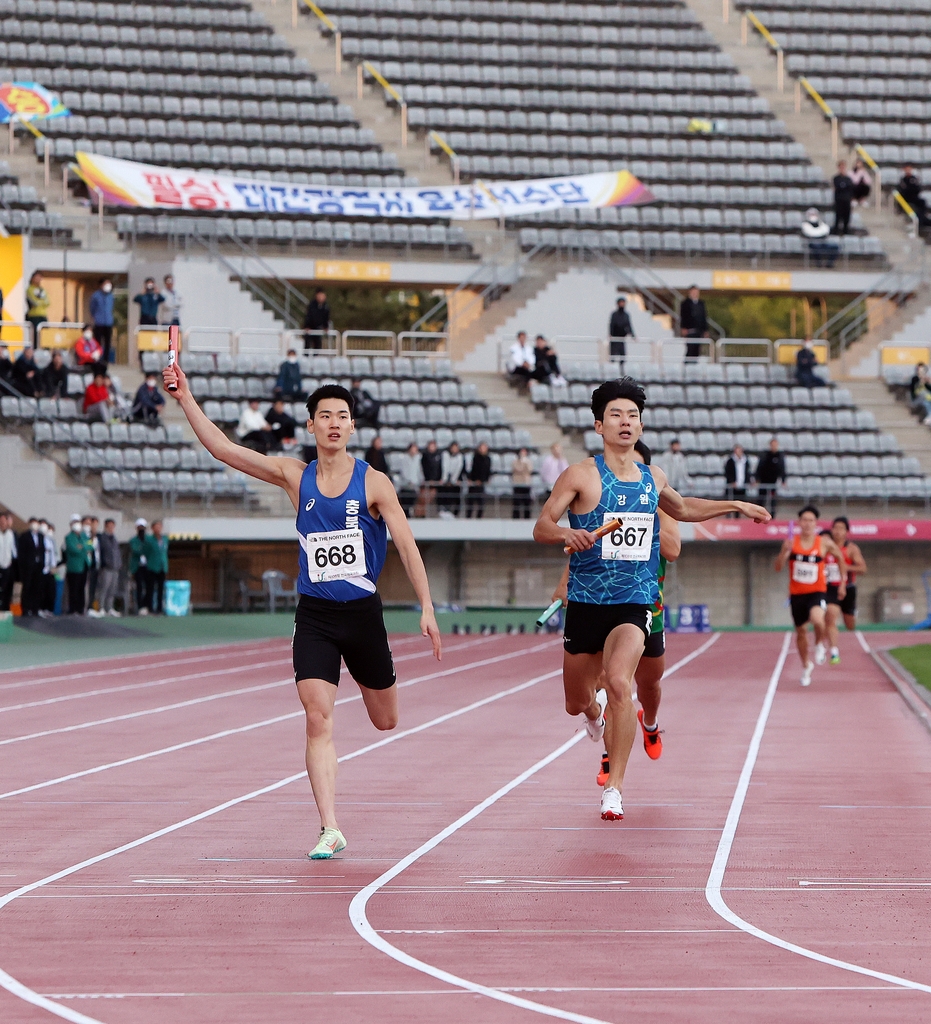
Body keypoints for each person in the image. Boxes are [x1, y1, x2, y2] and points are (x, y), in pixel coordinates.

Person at [162, 356, 442, 861]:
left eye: (342, 416)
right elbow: (224, 448)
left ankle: (339, 796)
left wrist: (426, 605)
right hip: (315, 616)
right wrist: (185, 398)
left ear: (352, 426)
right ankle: (329, 826)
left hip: (363, 617)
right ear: (310, 424)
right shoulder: (295, 476)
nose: (334, 424)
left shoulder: (374, 483)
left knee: (386, 720)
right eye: (325, 416)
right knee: (318, 717)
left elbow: (405, 542)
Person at [533, 377, 769, 822]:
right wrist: (568, 532)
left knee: (622, 682)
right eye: (617, 415)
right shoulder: (580, 474)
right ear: (599, 425)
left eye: (633, 416)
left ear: (640, 427)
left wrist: (735, 504)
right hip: (586, 601)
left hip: (635, 599)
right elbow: (542, 526)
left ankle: (614, 789)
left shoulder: (651, 477)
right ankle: (593, 716)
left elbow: (682, 509)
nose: (626, 422)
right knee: (575, 701)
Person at [550, 440, 681, 787]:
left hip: (645, 602)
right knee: (612, 680)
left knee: (649, 681)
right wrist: (565, 583)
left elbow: (673, 549)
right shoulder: (602, 497)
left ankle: (649, 724)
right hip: (605, 602)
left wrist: (644, 514)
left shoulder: (658, 502)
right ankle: (610, 757)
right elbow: (588, 551)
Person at [774, 505, 847, 687]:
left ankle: (820, 644)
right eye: (804, 520)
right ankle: (806, 665)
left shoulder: (823, 543)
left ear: (816, 523)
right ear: (799, 523)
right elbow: (777, 567)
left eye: (811, 520)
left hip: (817, 592)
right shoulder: (792, 543)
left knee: (818, 620)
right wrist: (784, 552)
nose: (807, 524)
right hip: (797, 595)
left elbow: (840, 558)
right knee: (800, 633)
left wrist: (843, 582)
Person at [824, 516, 867, 665]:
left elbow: (862, 568)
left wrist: (845, 567)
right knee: (830, 617)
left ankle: (852, 612)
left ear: (847, 532)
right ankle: (834, 651)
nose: (837, 531)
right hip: (830, 588)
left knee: (850, 625)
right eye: (835, 528)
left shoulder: (851, 548)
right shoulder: (826, 546)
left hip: (848, 588)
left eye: (841, 528)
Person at [63, 513, 92, 615]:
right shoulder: (69, 537)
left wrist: (82, 546)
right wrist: (83, 548)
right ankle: (72, 609)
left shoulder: (84, 536)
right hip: (74, 567)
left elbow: (90, 546)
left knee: (81, 588)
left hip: (84, 565)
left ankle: (80, 609)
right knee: (73, 589)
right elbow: (73, 549)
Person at [17, 516, 45, 617]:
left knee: (37, 588)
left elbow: (42, 551)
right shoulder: (24, 536)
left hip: (38, 566)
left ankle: (35, 608)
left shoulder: (41, 536)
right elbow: (21, 553)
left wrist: (42, 563)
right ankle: (25, 608)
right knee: (27, 588)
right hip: (28, 567)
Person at [755, 437, 787, 517]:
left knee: (773, 499)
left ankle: (772, 516)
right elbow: (759, 467)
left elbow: (782, 469)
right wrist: (757, 479)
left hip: (773, 482)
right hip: (763, 481)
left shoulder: (780, 456)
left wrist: (783, 480)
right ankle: (759, 515)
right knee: (761, 499)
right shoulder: (765, 455)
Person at [97, 517, 122, 616]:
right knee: (104, 588)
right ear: (105, 527)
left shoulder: (114, 538)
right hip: (106, 568)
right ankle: (101, 607)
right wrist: (104, 563)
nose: (111, 529)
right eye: (109, 526)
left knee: (112, 589)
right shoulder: (102, 538)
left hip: (115, 568)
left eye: (113, 527)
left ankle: (109, 607)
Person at [89, 277, 115, 363]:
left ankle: (106, 359)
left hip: (108, 322)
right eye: (105, 284)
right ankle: (98, 359)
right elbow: (92, 308)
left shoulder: (111, 296)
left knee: (108, 342)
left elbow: (111, 307)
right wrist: (94, 316)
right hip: (99, 322)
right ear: (101, 285)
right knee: (98, 342)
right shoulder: (96, 295)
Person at [146, 520, 169, 614]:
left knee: (160, 589)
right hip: (152, 566)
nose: (158, 529)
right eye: (156, 527)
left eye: (159, 527)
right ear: (152, 528)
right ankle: (150, 608)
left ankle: (159, 608)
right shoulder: (149, 539)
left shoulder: (165, 539)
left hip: (162, 566)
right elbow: (146, 551)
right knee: (150, 588)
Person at [679, 285, 708, 362]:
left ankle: (694, 366)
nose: (695, 293)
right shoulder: (685, 303)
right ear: (690, 292)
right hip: (690, 330)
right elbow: (683, 316)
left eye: (696, 292)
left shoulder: (701, 303)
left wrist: (705, 330)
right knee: (690, 349)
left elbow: (704, 317)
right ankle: (687, 366)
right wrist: (683, 328)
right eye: (693, 292)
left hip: (699, 330)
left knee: (697, 350)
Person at [129, 518, 150, 615]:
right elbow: (136, 550)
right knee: (139, 587)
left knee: (149, 586)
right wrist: (143, 549)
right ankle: (140, 606)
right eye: (139, 527)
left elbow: (149, 550)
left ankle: (147, 605)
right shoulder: (133, 540)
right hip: (138, 567)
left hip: (148, 566)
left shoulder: (149, 539)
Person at [396, 442, 423, 517]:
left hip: (415, 484)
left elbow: (418, 470)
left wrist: (419, 480)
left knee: (413, 500)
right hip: (405, 484)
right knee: (405, 500)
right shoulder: (404, 458)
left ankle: (411, 512)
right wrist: (408, 480)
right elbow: (403, 471)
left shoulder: (418, 458)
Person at [438, 441, 464, 517]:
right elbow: (444, 467)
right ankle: (443, 510)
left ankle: (455, 513)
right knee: (444, 495)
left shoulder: (460, 457)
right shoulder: (445, 455)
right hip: (445, 479)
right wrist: (444, 478)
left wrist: (454, 479)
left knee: (455, 496)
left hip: (455, 480)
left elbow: (459, 468)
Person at [466, 441, 491, 518]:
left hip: (481, 484)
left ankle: (479, 518)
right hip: (473, 484)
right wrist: (471, 479)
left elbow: (487, 471)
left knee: (481, 504)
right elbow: (472, 469)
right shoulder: (475, 458)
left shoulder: (488, 459)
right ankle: (468, 518)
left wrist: (484, 480)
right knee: (470, 503)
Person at [723, 443, 751, 513]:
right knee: (730, 503)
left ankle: (738, 516)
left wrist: (748, 481)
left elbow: (747, 472)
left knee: (740, 503)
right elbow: (727, 472)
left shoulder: (745, 461)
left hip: (742, 485)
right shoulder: (730, 461)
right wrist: (732, 481)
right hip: (732, 486)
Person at [609, 296, 635, 362]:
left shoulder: (626, 315)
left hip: (622, 338)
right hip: (614, 338)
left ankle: (622, 370)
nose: (622, 304)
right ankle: (612, 370)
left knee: (622, 356)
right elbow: (611, 325)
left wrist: (632, 335)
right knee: (613, 355)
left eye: (623, 303)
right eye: (621, 303)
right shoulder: (614, 314)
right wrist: (610, 334)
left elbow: (629, 325)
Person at [0, 511, 17, 612]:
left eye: (4, 521)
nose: (2, 523)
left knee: (5, 588)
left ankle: (4, 608)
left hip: (7, 565)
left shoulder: (10, 534)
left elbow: (13, 550)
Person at [84, 515, 101, 615]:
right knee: (87, 587)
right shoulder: (85, 536)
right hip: (87, 564)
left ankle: (91, 606)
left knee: (94, 587)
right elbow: (88, 547)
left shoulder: (98, 536)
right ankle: (85, 607)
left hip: (96, 565)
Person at [832, 160, 854, 235]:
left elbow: (849, 189)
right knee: (838, 219)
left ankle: (845, 233)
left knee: (846, 219)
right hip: (839, 201)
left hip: (846, 201)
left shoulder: (848, 179)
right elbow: (839, 187)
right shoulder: (836, 178)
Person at [511, 446, 534, 519]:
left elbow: (530, 470)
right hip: (517, 483)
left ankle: (527, 517)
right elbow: (516, 469)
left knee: (527, 502)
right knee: (516, 502)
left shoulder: (529, 461)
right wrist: (522, 464)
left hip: (526, 484)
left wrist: (525, 463)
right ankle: (516, 517)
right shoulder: (515, 461)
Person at [421, 439, 442, 513]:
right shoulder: (425, 456)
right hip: (427, 481)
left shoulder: (439, 456)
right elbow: (423, 468)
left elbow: (440, 468)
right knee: (424, 499)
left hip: (436, 482)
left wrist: (439, 478)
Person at [25, 271, 49, 337]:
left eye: (39, 277)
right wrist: (41, 302)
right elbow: (33, 302)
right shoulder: (29, 289)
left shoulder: (42, 290)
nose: (38, 279)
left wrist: (40, 302)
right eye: (36, 277)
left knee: (45, 334)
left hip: (43, 315)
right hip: (33, 315)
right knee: (35, 335)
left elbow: (47, 302)